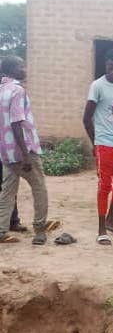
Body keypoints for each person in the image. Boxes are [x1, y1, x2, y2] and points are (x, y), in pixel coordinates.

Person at [0, 56, 50, 245]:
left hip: (6, 152)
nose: (24, 69)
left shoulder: (1, 90)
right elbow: (16, 123)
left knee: (7, 191)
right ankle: (39, 230)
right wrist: (26, 155)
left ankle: (1, 229)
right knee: (39, 188)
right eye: (21, 66)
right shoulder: (17, 91)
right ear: (12, 70)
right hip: (23, 150)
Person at [83, 49, 113, 245]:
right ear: (105, 65)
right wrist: (96, 142)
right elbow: (86, 119)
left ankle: (112, 218)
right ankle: (102, 229)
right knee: (104, 186)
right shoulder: (97, 86)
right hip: (104, 144)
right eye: (110, 66)